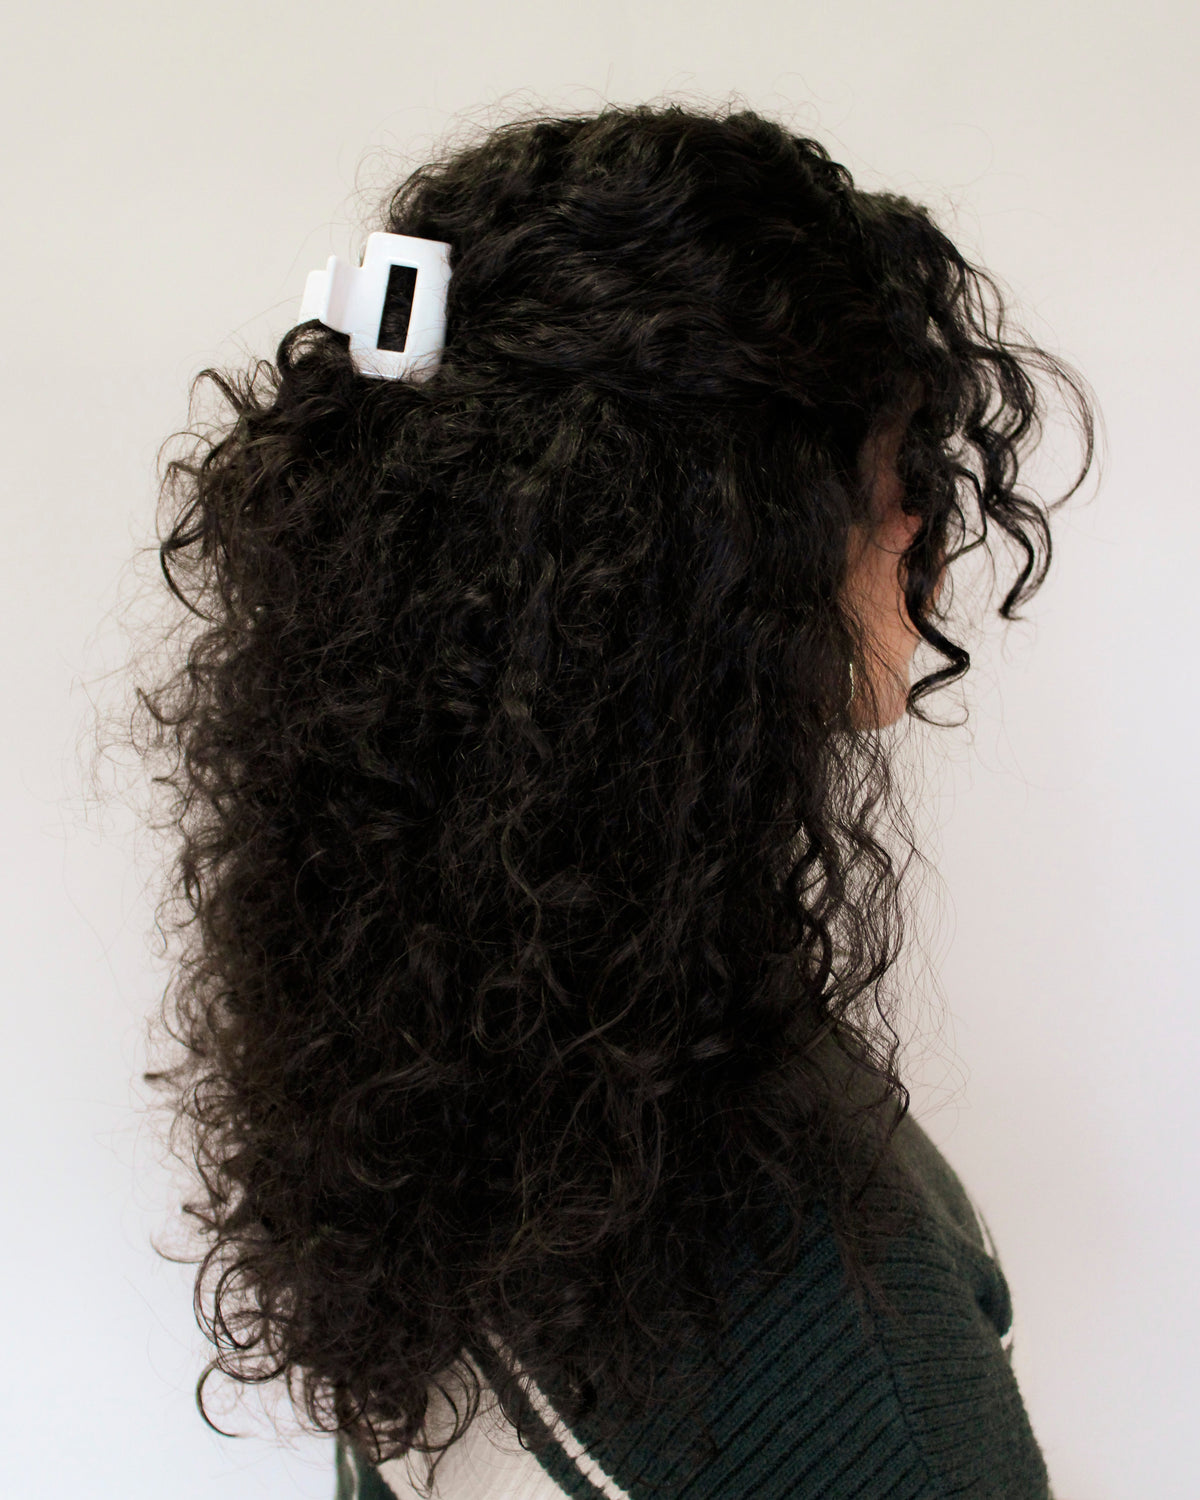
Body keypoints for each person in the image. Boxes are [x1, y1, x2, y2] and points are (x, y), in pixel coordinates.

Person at [133, 100, 1095, 1499]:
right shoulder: (840, 1344)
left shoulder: (443, 1068)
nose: (923, 525)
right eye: (893, 471)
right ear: (706, 560)